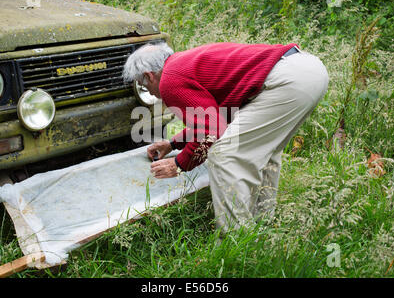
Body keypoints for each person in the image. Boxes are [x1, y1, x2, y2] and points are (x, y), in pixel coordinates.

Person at [123, 41, 329, 233]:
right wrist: (173, 143)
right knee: (264, 152)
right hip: (307, 70)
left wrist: (179, 164)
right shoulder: (183, 64)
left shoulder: (169, 80)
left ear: (149, 76)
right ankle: (263, 226)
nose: (150, 92)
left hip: (287, 81)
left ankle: (236, 240)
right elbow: (217, 117)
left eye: (143, 85)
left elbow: (213, 130)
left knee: (224, 155)